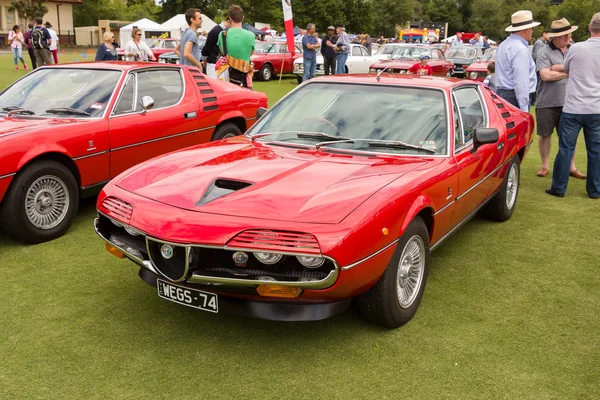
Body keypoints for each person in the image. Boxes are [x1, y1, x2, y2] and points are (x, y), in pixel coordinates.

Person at [547, 13, 600, 199]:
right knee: (595, 150)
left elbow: (567, 68)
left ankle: (559, 188)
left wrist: (556, 68)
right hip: (596, 108)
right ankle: (595, 190)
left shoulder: (577, 48)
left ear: (589, 27)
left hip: (574, 107)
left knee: (566, 148)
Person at [535, 18, 584, 179]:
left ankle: (571, 166)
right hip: (546, 101)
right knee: (545, 134)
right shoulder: (543, 51)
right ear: (554, 37)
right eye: (564, 36)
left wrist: (557, 70)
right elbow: (545, 75)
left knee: (570, 136)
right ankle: (544, 165)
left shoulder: (573, 49)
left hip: (569, 101)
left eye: (569, 35)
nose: (568, 38)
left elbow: (580, 70)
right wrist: (569, 72)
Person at [495, 10, 539, 111]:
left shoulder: (503, 45)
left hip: (502, 93)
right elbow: (521, 82)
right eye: (532, 28)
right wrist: (524, 108)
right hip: (514, 97)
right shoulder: (520, 49)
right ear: (526, 30)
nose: (532, 31)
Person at [217, 5, 255, 88]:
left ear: (230, 19)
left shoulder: (222, 35)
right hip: (244, 78)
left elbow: (222, 52)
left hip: (227, 78)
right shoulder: (251, 35)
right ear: (243, 18)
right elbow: (250, 54)